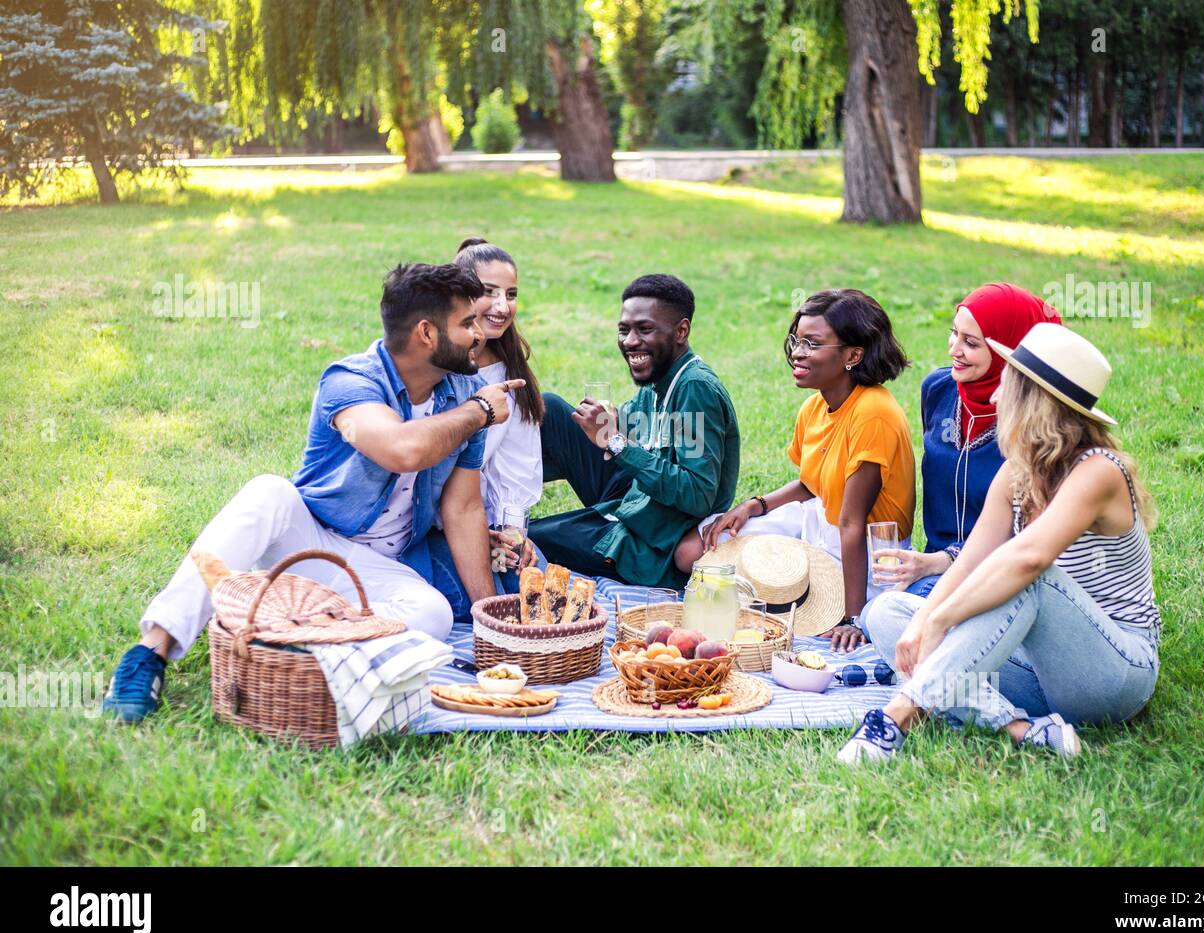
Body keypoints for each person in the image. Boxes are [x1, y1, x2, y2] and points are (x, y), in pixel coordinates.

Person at [102, 262, 519, 722]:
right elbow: (402, 450)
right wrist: (479, 410)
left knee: (434, 615)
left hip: (381, 568)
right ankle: (149, 653)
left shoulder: (466, 392)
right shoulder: (353, 381)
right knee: (268, 492)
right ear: (426, 332)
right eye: (466, 323)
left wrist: (487, 618)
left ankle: (289, 632)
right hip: (311, 541)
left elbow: (463, 508)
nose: (479, 333)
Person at [838, 324, 1161, 763]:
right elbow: (969, 564)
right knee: (887, 613)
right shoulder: (1017, 473)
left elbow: (1028, 560)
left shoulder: (1098, 471)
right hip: (1034, 668)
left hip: (1111, 674)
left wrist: (939, 621)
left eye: (1005, 386)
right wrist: (924, 620)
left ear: (1032, 400)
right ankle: (1020, 728)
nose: (992, 398)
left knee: (1027, 577)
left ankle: (898, 716)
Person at [678, 289, 914, 651]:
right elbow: (813, 482)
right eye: (796, 340)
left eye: (813, 343)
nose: (797, 353)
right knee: (695, 549)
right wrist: (754, 505)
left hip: (865, 550)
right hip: (818, 520)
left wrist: (851, 618)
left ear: (853, 355)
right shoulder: (815, 406)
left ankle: (837, 607)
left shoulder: (874, 413)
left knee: (778, 607)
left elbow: (852, 521)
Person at [530, 274, 741, 588]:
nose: (629, 341)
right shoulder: (658, 378)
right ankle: (485, 492)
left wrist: (615, 442)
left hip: (654, 542)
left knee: (528, 539)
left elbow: (698, 495)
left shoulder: (694, 388)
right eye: (623, 329)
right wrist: (609, 424)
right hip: (636, 497)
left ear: (681, 331)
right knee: (550, 409)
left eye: (644, 329)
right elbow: (630, 423)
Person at [872, 283, 1061, 599]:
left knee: (889, 613)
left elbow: (1031, 538)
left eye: (971, 343)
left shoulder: (1037, 424)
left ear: (1009, 350)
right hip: (930, 569)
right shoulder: (938, 389)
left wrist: (937, 562)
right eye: (954, 333)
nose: (953, 349)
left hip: (1001, 574)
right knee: (879, 613)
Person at [452, 237, 544, 589]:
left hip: (487, 521)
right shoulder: (438, 366)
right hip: (438, 522)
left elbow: (517, 463)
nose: (503, 307)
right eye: (490, 292)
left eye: (512, 294)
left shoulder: (509, 372)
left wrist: (512, 532)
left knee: (528, 582)